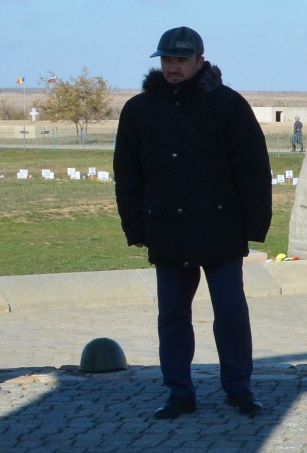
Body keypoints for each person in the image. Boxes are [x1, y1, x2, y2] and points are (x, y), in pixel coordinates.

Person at [113, 27, 273, 421]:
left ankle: (239, 389)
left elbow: (253, 169)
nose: (172, 67)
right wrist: (136, 228)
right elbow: (128, 175)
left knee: (231, 314)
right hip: (167, 228)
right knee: (172, 316)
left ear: (200, 61)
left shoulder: (229, 105)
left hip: (220, 227)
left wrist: (253, 227)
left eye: (181, 60)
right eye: (166, 60)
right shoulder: (139, 110)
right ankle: (178, 392)